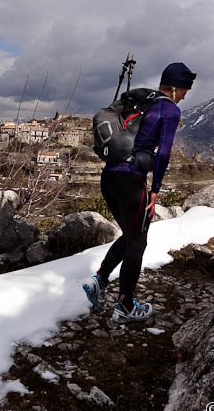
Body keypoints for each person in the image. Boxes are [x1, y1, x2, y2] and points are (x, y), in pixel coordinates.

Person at [83, 62, 196, 323]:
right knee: (138, 241)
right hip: (131, 180)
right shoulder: (168, 109)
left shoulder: (142, 102)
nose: (187, 95)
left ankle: (99, 281)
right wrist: (155, 191)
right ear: (177, 88)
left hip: (109, 177)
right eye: (186, 89)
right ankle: (125, 306)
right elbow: (164, 154)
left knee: (133, 235)